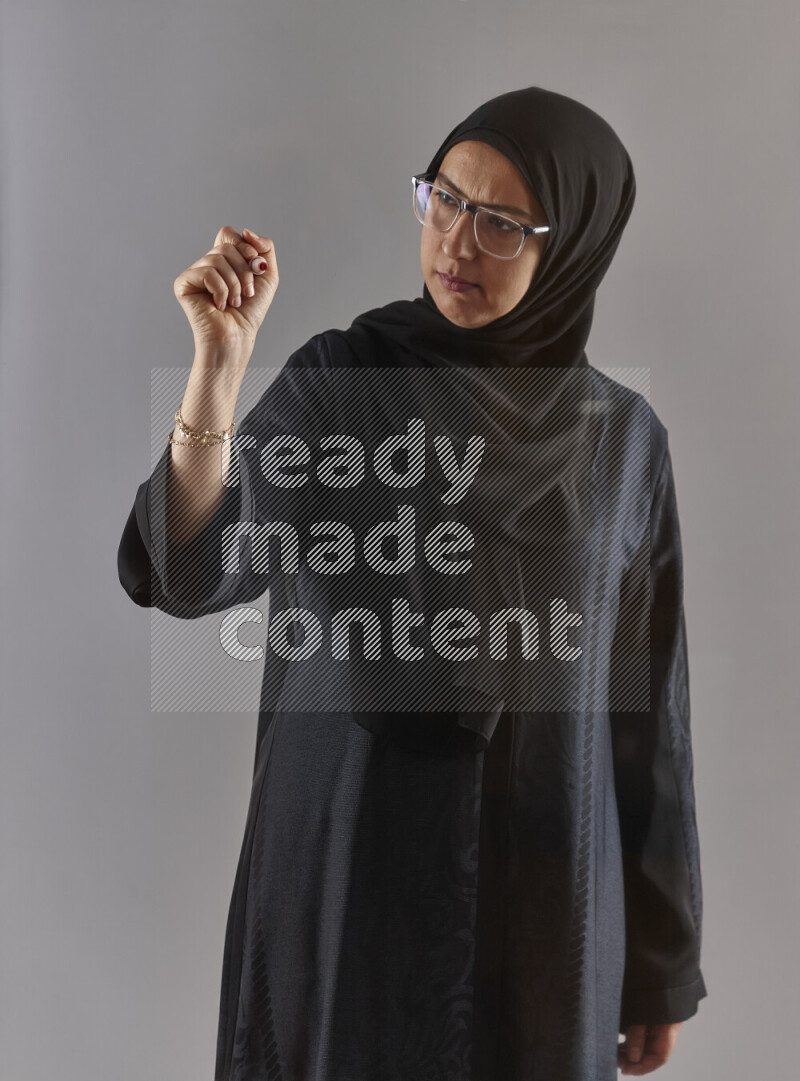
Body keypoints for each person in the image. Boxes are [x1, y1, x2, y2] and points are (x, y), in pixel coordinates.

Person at [118, 86, 707, 1081]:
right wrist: (216, 372)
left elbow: (648, 718)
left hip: (544, 907)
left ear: (571, 248)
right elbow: (197, 566)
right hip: (349, 883)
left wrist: (658, 964)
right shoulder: (341, 385)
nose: (455, 242)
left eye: (500, 222)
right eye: (442, 198)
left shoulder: (624, 442)